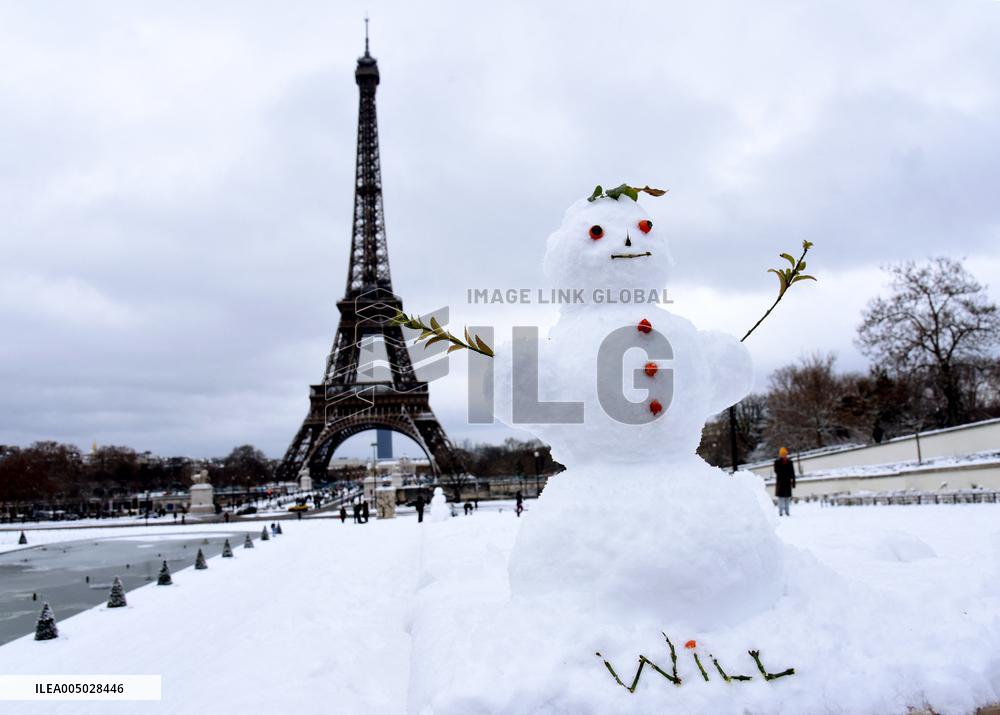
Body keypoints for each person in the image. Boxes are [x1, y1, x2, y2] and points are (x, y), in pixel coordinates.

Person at [774, 447, 796, 516]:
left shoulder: (790, 462)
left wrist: (793, 482)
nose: (784, 456)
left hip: (787, 482)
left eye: (785, 454)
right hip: (780, 482)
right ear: (780, 455)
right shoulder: (777, 462)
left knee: (787, 498)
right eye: (782, 454)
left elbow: (792, 472)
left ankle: (787, 511)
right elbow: (777, 471)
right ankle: (780, 512)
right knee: (781, 498)